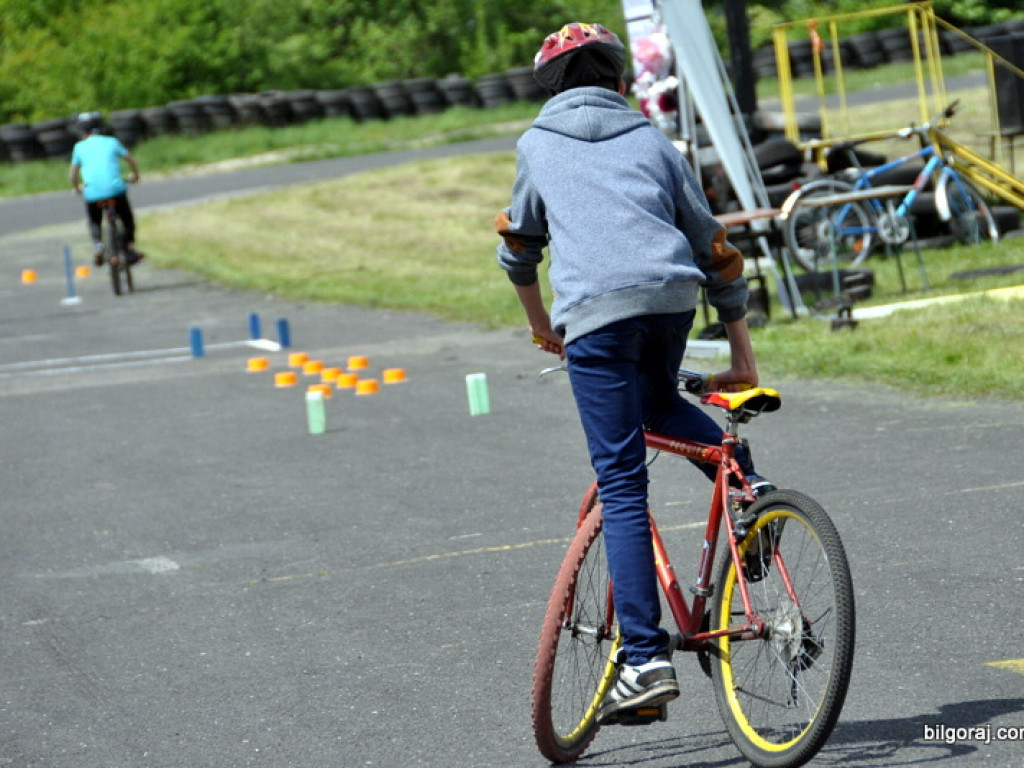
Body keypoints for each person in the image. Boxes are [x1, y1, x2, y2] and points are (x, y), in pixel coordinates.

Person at [494, 22, 772, 725]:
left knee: (621, 481)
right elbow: (716, 249)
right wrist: (743, 356)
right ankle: (749, 484)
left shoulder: (537, 144)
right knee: (655, 404)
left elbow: (519, 250)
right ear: (621, 83)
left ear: (548, 90)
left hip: (596, 316)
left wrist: (540, 325)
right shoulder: (652, 140)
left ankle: (644, 659)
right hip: (671, 301)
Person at [69, 112, 143, 267]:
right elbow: (131, 160)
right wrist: (135, 175)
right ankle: (129, 248)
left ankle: (98, 244)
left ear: (81, 130)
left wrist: (77, 188)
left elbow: (73, 174)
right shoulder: (112, 142)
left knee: (95, 220)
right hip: (116, 189)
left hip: (92, 192)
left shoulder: (79, 147)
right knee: (127, 219)